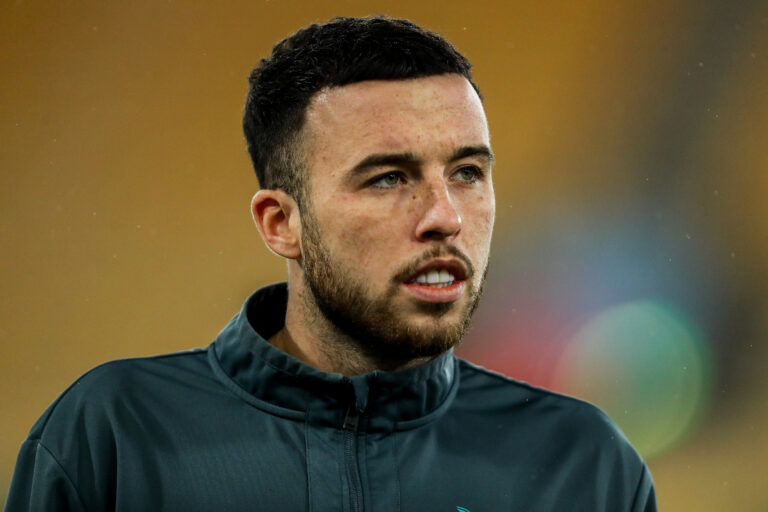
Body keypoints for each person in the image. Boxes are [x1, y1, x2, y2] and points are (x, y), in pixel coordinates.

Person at [5, 16, 657, 511]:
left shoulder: (583, 464)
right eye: (387, 178)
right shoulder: (117, 436)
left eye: (466, 172)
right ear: (281, 223)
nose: (445, 216)